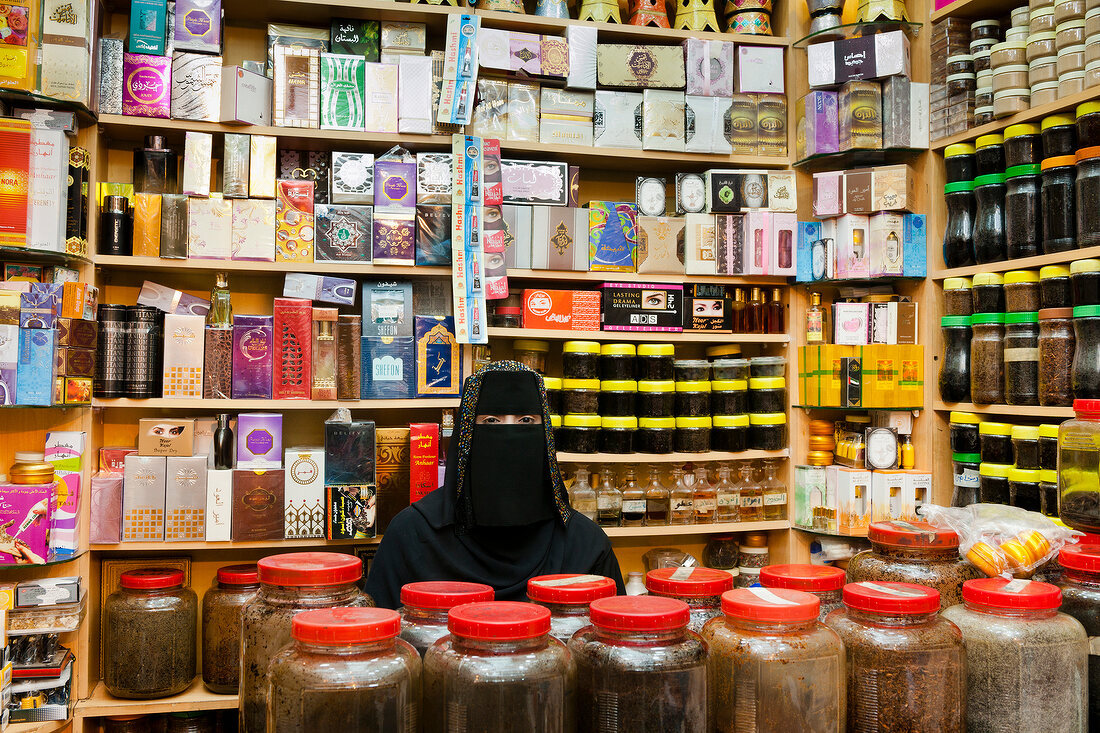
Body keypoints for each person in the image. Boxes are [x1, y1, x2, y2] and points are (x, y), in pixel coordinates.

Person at [365, 361, 625, 608]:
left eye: (525, 421)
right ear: (466, 435)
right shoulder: (412, 535)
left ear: (545, 436)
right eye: (491, 421)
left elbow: (613, 642)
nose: (509, 435)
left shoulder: (586, 545)